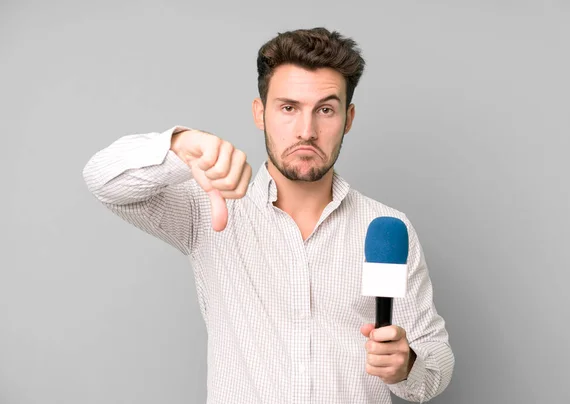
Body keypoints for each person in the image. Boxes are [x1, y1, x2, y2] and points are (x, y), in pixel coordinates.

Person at [82, 27, 454, 404]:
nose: (306, 131)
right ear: (260, 113)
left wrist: (407, 364)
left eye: (325, 109)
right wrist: (180, 145)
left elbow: (435, 361)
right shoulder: (209, 207)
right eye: (288, 108)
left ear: (348, 118)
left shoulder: (386, 228)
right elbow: (102, 180)